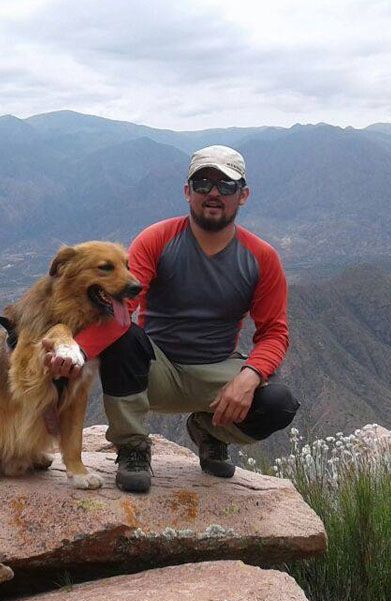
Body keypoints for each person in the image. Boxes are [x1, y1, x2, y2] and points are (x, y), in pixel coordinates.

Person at [49, 145, 299, 492]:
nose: (213, 193)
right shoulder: (158, 240)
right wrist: (75, 354)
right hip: (155, 366)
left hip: (216, 372)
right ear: (187, 192)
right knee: (125, 337)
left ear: (243, 195)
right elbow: (123, 310)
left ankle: (210, 432)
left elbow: (274, 333)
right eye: (203, 184)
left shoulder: (261, 258)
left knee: (277, 404)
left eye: (226, 186)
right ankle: (132, 446)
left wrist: (249, 377)